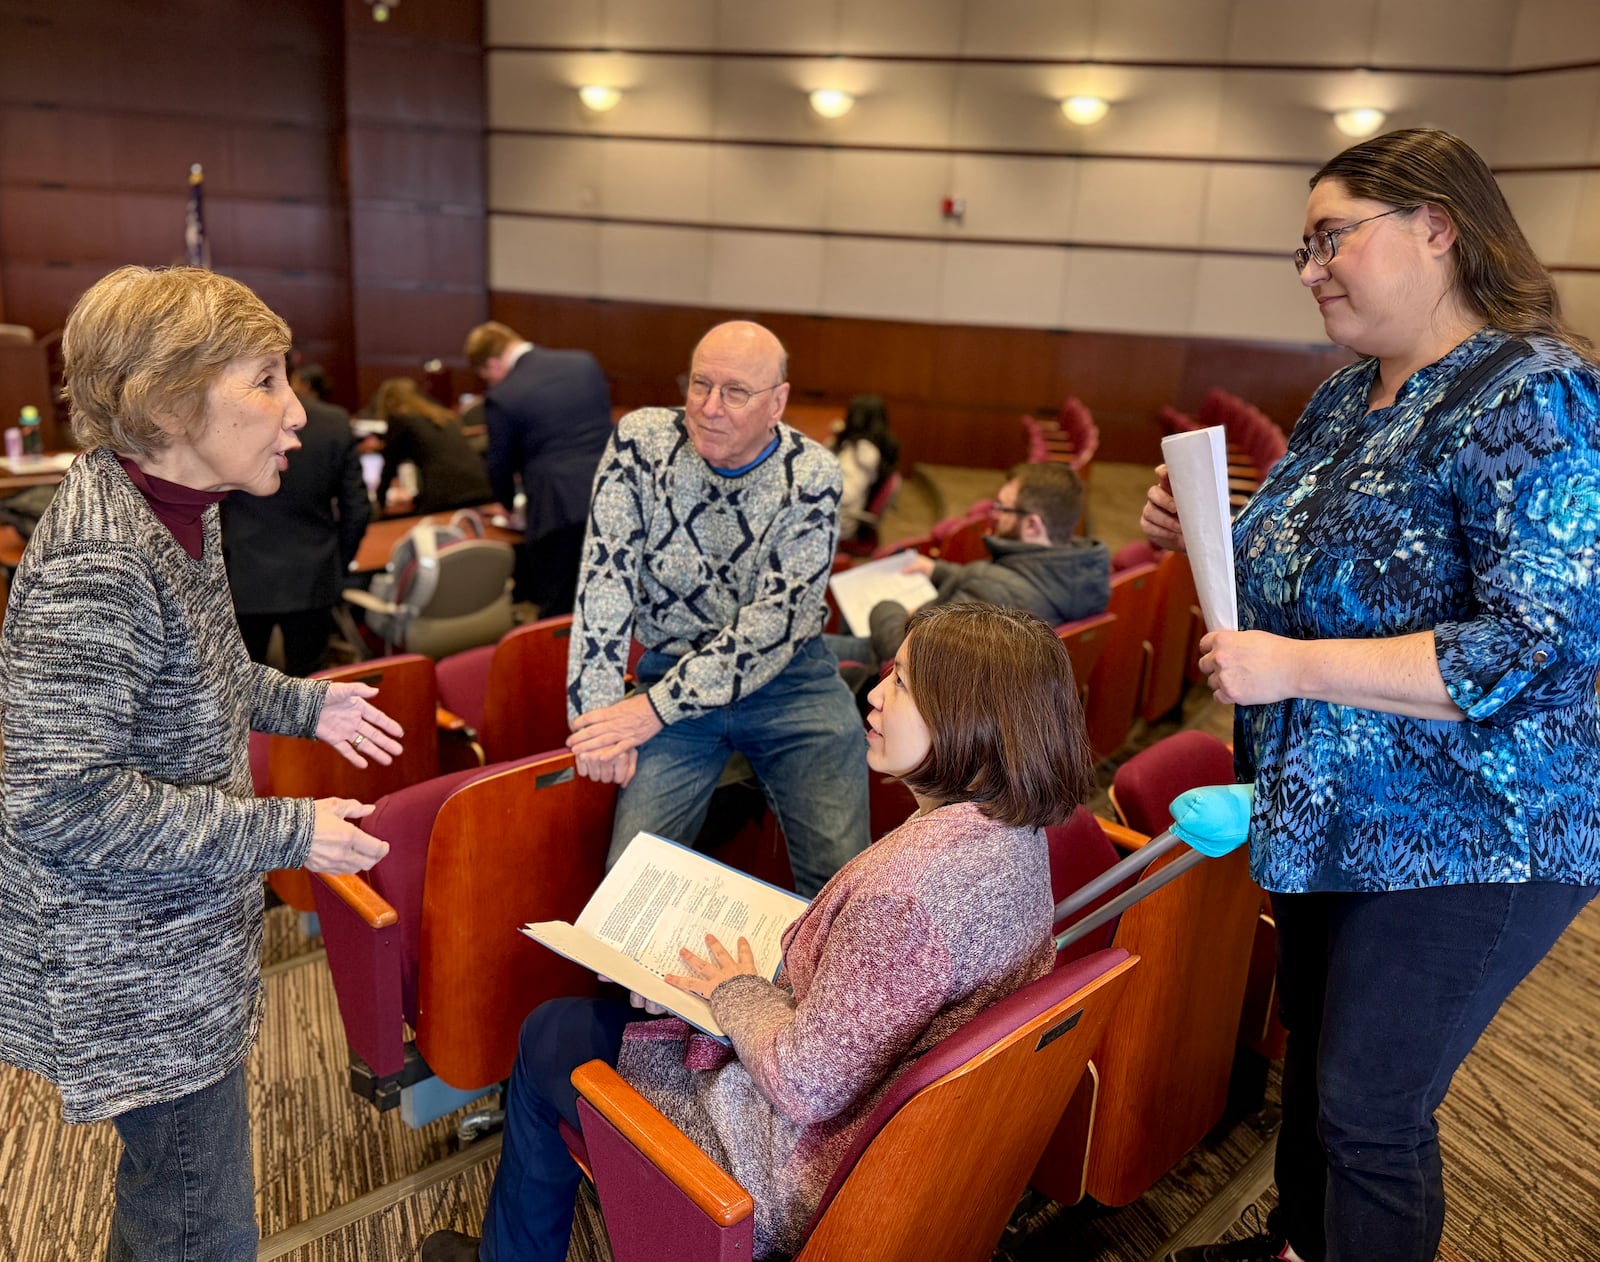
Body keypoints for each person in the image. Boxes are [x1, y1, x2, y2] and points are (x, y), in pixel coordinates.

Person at [1142, 129, 1600, 1262]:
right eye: (1302, 249)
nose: (1312, 269)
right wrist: (1194, 533)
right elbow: (1305, 575)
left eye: (1332, 238)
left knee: (1371, 1108)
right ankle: (1302, 1242)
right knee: (1317, 1060)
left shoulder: (1532, 396)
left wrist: (1294, 668)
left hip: (1478, 827)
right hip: (1329, 805)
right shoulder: (1350, 396)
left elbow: (1535, 644)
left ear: (1436, 227)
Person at [422, 601, 1097, 1262]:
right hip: (886, 1144)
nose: (875, 696)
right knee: (621, 1014)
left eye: (903, 684)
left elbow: (804, 1084)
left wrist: (735, 991)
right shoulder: (1014, 837)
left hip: (781, 1170)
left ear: (970, 722)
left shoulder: (907, 897)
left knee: (550, 1033)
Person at [0, 265, 406, 1260]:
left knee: (173, 1203)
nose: (296, 412)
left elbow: (211, 669)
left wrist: (306, 703)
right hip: (139, 969)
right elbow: (60, 801)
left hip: (181, 933)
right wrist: (288, 828)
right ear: (169, 401)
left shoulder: (184, 504)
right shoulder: (101, 560)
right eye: (265, 381)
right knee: (197, 1220)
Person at [564, 320, 871, 899]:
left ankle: (818, 989)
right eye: (700, 384)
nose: (709, 407)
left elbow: (770, 630)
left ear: (777, 401)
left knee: (841, 888)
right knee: (628, 891)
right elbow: (604, 581)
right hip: (673, 679)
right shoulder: (639, 442)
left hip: (791, 684)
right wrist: (599, 717)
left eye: (735, 392)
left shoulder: (812, 476)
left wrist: (649, 712)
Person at [830, 460, 1110, 669]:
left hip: (908, 676)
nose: (993, 515)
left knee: (799, 651)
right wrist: (938, 570)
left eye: (1001, 508)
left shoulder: (995, 591)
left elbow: (905, 650)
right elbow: (1018, 581)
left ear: (1033, 525)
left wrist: (888, 607)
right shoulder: (1078, 573)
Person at [222, 354, 371, 675]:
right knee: (310, 682)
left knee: (243, 684)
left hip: (244, 573)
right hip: (312, 573)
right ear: (294, 364)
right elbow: (357, 508)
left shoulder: (226, 419)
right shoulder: (332, 421)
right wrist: (335, 561)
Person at [466, 321, 613, 616]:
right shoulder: (583, 363)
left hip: (556, 510)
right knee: (608, 598)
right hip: (613, 495)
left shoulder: (504, 396)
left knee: (558, 608)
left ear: (493, 364)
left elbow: (499, 464)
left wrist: (507, 505)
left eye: (487, 377)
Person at [370, 376, 494, 515]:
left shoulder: (400, 420)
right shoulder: (442, 416)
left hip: (446, 493)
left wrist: (378, 505)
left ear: (388, 401)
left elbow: (389, 466)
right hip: (482, 484)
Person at [831, 392, 899, 541]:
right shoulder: (878, 445)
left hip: (840, 521)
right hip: (845, 514)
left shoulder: (861, 452)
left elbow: (845, 496)